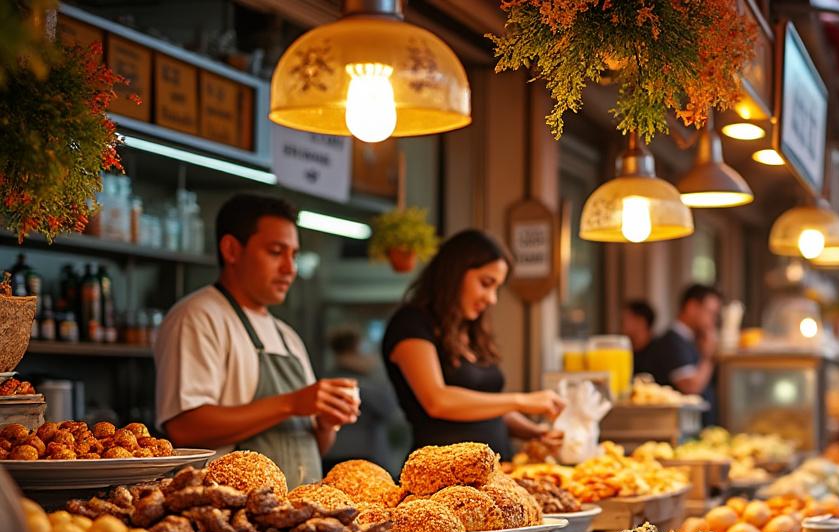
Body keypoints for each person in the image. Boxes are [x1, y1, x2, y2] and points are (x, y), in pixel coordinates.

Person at [154, 193, 359, 488]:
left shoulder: (287, 336)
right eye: (276, 252)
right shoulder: (198, 316)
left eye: (294, 255)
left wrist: (326, 423)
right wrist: (291, 403)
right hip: (231, 519)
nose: (290, 269)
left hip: (301, 513)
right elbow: (184, 427)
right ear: (232, 250)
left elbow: (313, 448)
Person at [382, 229, 564, 459]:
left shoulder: (470, 330)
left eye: (497, 287)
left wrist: (534, 432)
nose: (492, 298)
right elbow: (437, 400)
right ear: (454, 274)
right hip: (443, 477)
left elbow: (487, 408)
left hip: (496, 474)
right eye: (486, 283)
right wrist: (521, 400)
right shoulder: (411, 323)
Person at [636, 284, 722, 421]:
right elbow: (691, 387)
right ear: (691, 307)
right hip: (676, 428)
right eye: (710, 312)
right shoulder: (672, 343)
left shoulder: (691, 340)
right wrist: (708, 356)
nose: (713, 320)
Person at [323, 326, 399, 472]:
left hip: (332, 456)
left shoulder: (325, 380)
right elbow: (390, 409)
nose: (372, 358)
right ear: (354, 351)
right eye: (366, 351)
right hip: (363, 458)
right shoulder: (360, 385)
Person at [623, 300, 657, 376]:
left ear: (641, 321)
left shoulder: (660, 350)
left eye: (627, 319)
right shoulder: (626, 351)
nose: (623, 323)